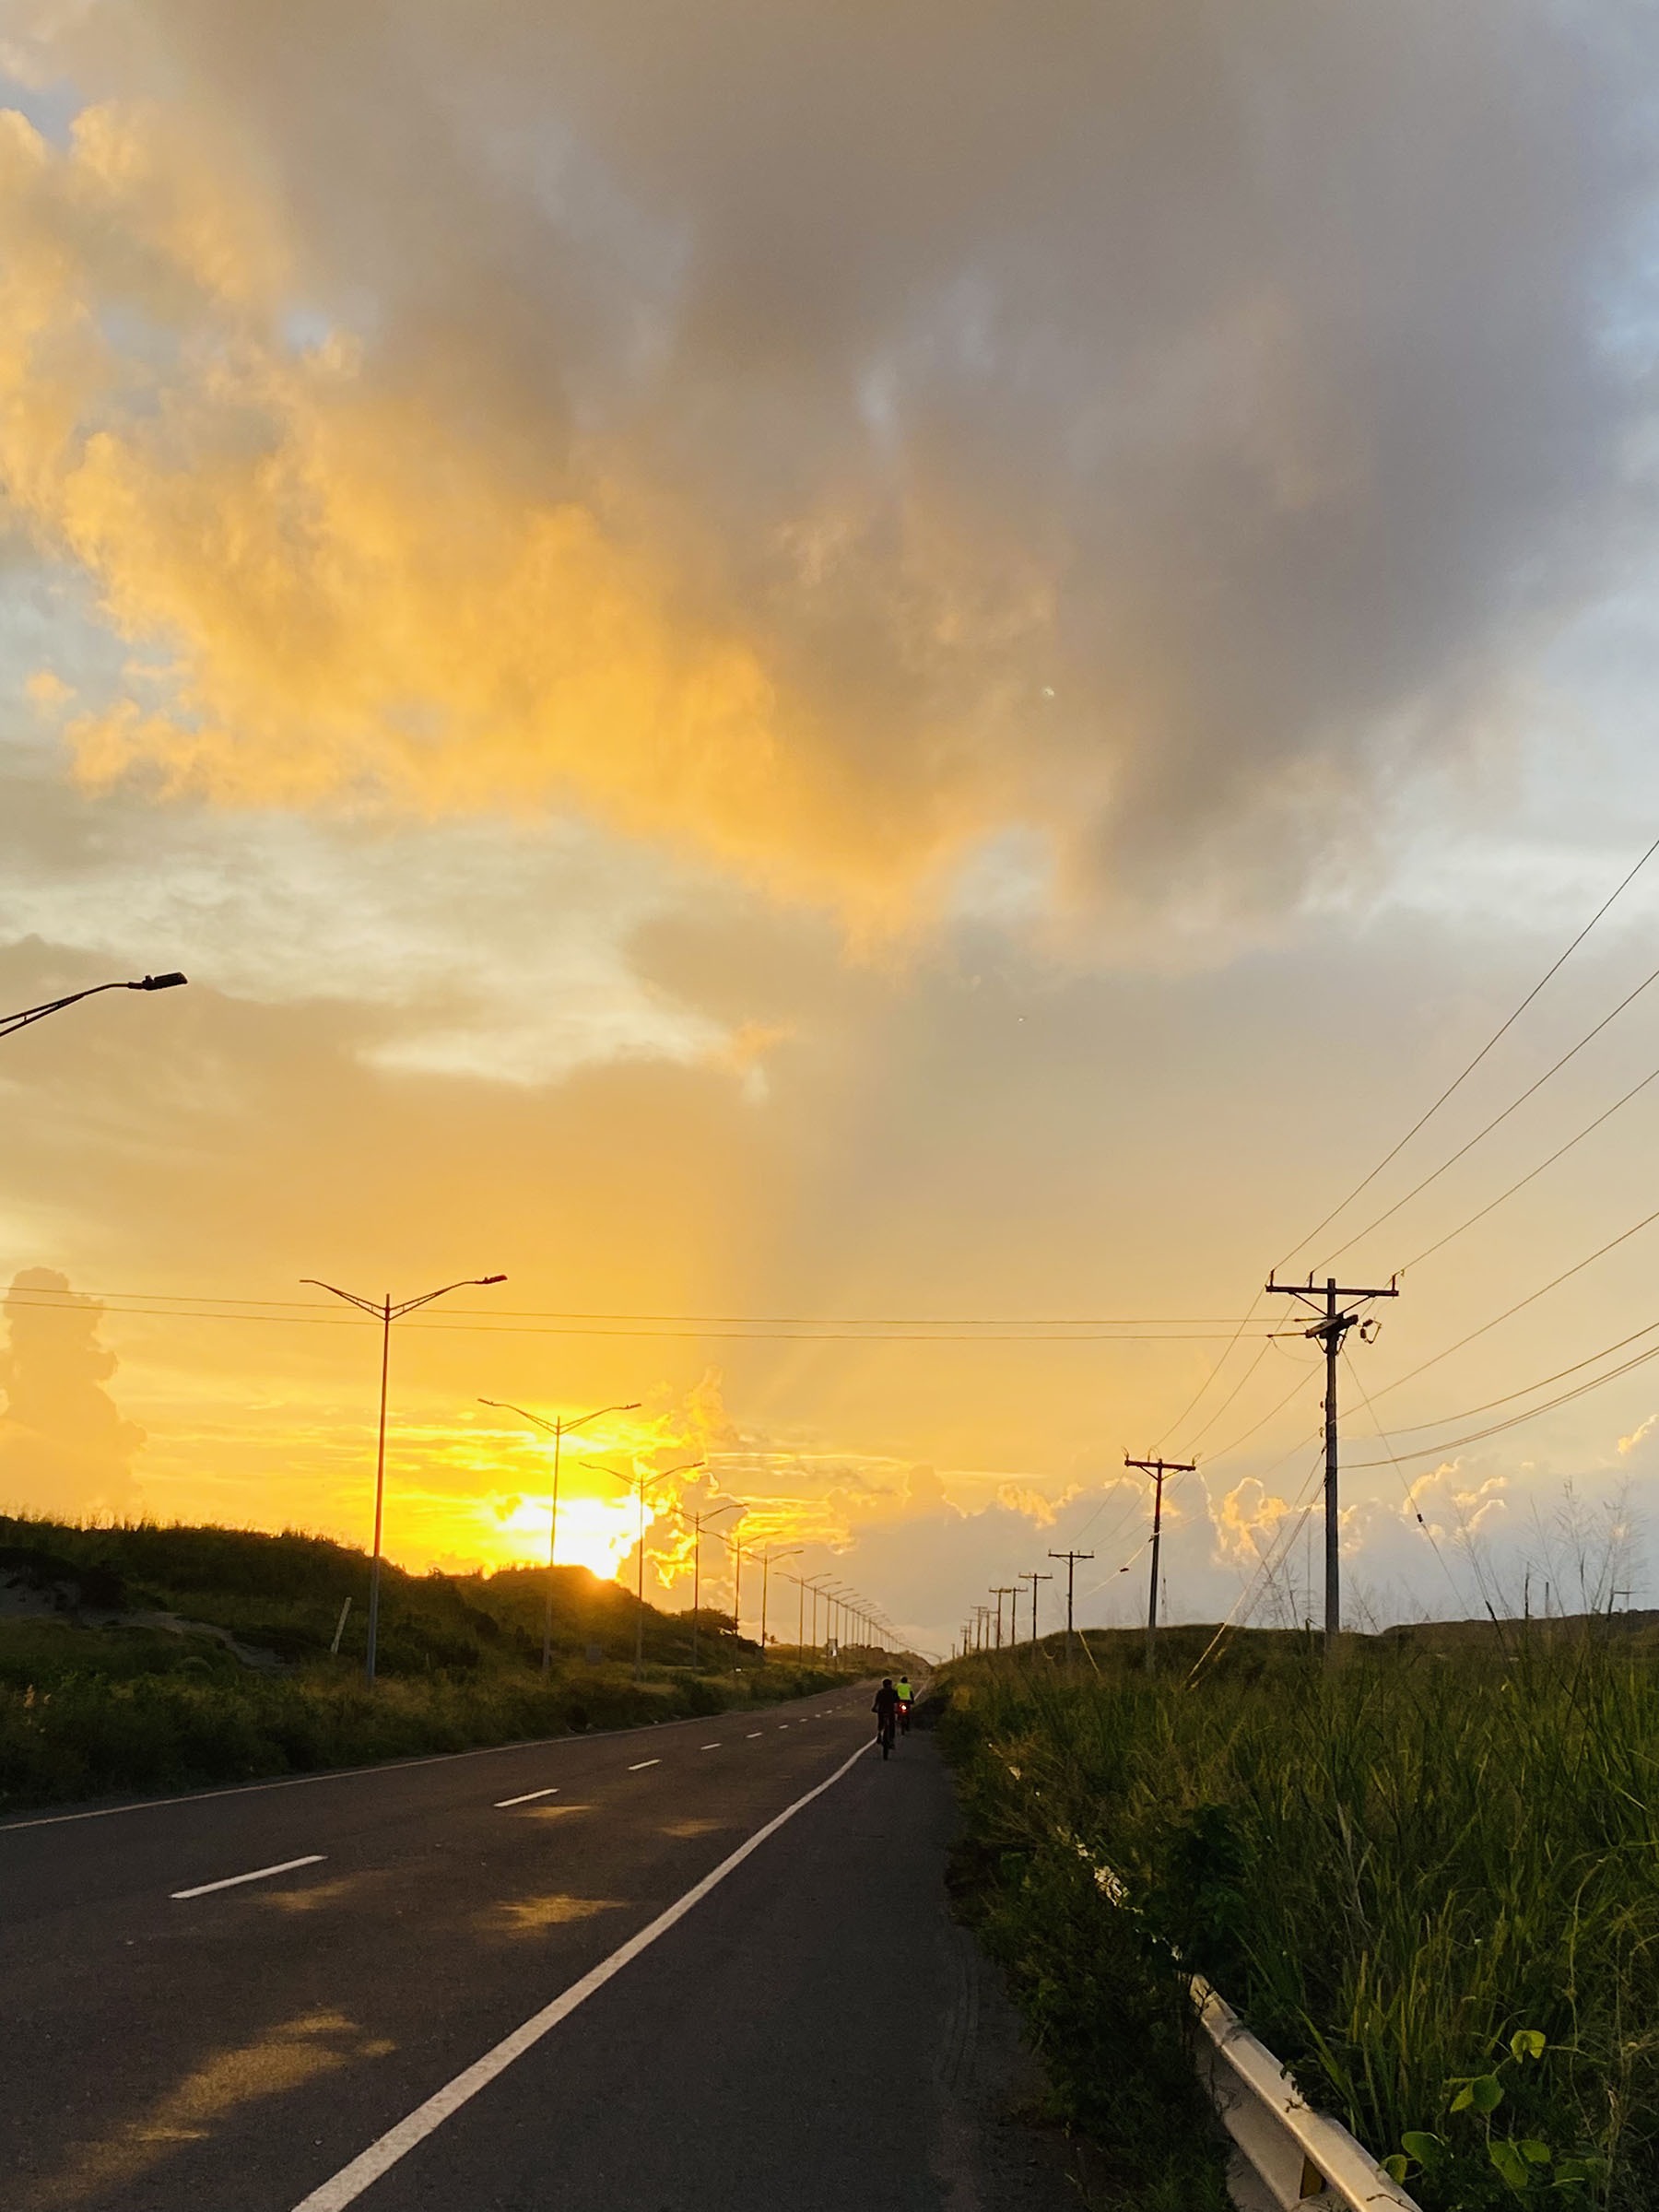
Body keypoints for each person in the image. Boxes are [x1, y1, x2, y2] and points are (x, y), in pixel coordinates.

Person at [872, 1676, 901, 1757]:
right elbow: (897, 1702)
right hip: (890, 1711)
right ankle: (891, 1740)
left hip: (881, 1710)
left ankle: (879, 1735)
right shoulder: (893, 1692)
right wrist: (898, 1710)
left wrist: (874, 1708)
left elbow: (877, 1702)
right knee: (892, 1725)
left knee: (880, 1723)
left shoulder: (880, 1692)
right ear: (890, 1684)